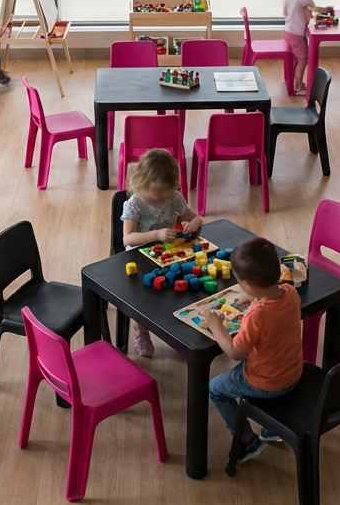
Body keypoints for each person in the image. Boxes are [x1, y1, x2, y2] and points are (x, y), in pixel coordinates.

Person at [200, 237, 302, 464]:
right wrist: (255, 297)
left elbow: (235, 353)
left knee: (216, 389)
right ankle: (271, 428)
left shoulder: (257, 315)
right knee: (266, 361)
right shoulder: (290, 292)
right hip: (293, 373)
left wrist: (217, 326)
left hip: (267, 382)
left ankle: (247, 442)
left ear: (246, 284)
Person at [122, 148, 203, 357]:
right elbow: (128, 238)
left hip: (170, 256)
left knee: (180, 290)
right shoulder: (135, 204)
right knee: (144, 298)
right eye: (157, 192)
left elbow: (197, 218)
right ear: (142, 183)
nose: (162, 196)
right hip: (140, 257)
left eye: (166, 191)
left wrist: (191, 224)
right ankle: (141, 330)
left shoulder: (174, 198)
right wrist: (156, 234)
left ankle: (178, 331)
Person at [283, 0, 332, 98]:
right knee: (303, 58)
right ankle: (298, 86)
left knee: (295, 58)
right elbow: (315, 9)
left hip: (287, 30)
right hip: (297, 33)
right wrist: (328, 8)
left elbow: (285, 12)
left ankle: (291, 80)